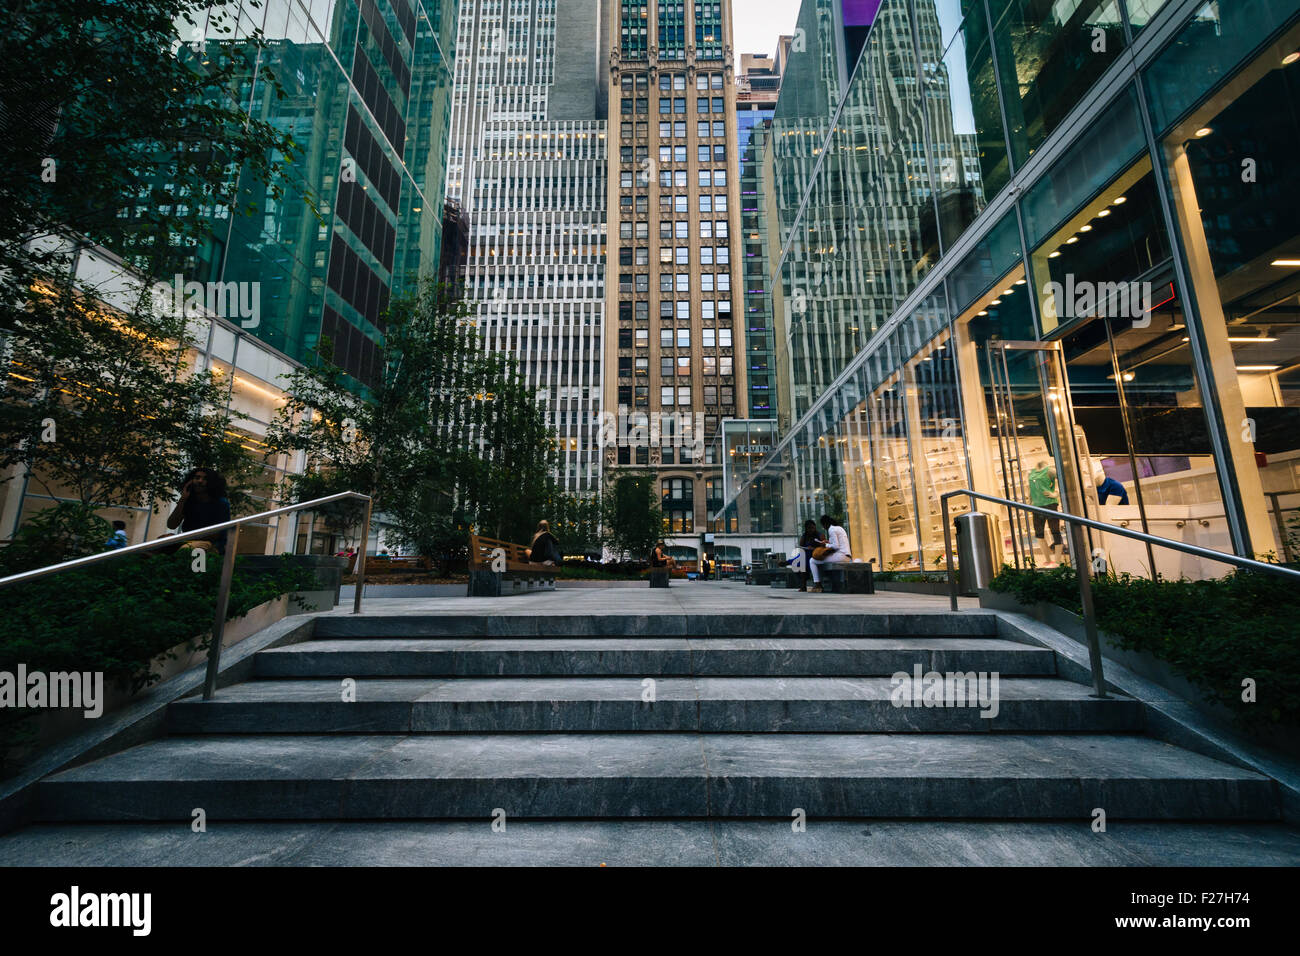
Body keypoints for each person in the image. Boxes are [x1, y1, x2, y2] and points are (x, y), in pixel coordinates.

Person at [166, 468, 231, 554]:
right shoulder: (189, 501)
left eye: (205, 479)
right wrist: (183, 499)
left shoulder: (221, 503)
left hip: (212, 545)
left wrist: (181, 538)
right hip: (188, 541)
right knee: (158, 544)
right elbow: (171, 525)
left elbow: (216, 534)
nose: (200, 481)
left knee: (187, 549)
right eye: (197, 478)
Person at [1028, 459, 1064, 566]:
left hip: (1050, 504)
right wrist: (1030, 502)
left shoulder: (1050, 471)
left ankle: (1057, 561)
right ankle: (1048, 560)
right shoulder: (1031, 472)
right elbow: (1030, 489)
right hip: (1036, 506)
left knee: (1055, 531)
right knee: (1039, 534)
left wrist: (1055, 494)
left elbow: (1065, 480)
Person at [809, 514, 851, 592]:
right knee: (819, 560)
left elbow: (836, 546)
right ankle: (820, 583)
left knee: (812, 560)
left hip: (840, 556)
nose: (823, 528)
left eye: (823, 525)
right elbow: (837, 544)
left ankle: (817, 584)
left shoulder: (831, 530)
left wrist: (825, 544)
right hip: (846, 556)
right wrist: (828, 542)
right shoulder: (839, 528)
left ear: (825, 524)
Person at [792, 519, 823, 592]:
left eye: (813, 528)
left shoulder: (819, 535)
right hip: (806, 554)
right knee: (799, 562)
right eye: (809, 528)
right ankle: (803, 585)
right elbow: (801, 546)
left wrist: (813, 548)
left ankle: (804, 586)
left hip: (815, 554)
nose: (811, 530)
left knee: (802, 562)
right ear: (806, 529)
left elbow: (823, 546)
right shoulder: (805, 536)